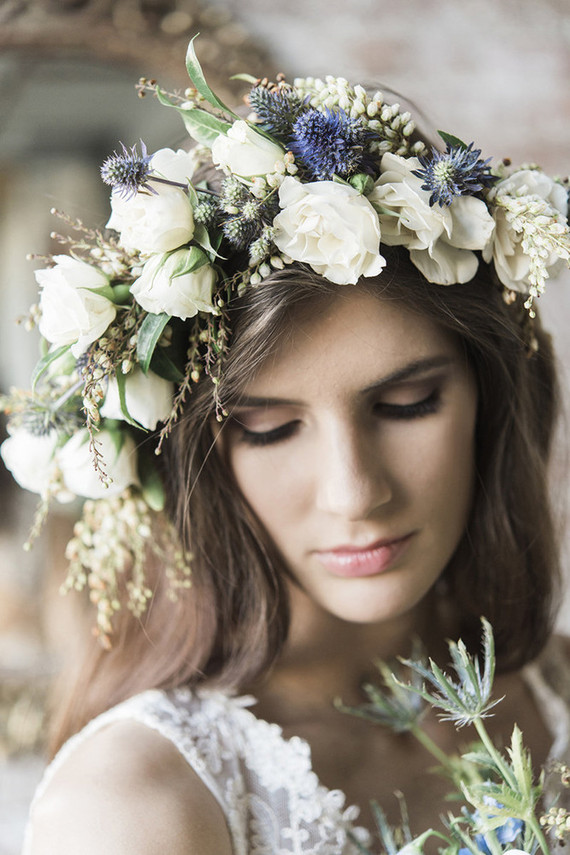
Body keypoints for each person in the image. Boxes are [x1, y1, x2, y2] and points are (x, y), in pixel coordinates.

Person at [3, 41, 569, 855]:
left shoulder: (555, 694)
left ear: (493, 397)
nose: (353, 491)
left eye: (408, 404)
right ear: (191, 455)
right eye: (268, 428)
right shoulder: (138, 803)